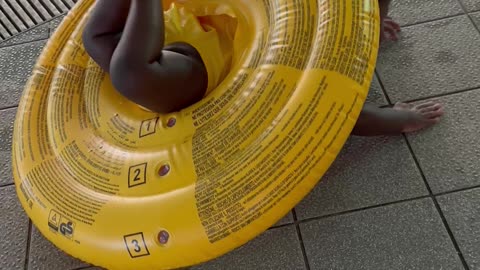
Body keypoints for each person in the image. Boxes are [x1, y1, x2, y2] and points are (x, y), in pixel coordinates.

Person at [82, 0, 444, 136]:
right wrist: (389, 119)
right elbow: (313, 107)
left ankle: (365, 21)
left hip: (201, 51)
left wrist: (360, 21)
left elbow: (313, 101)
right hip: (181, 46)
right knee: (110, 53)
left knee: (114, 56)